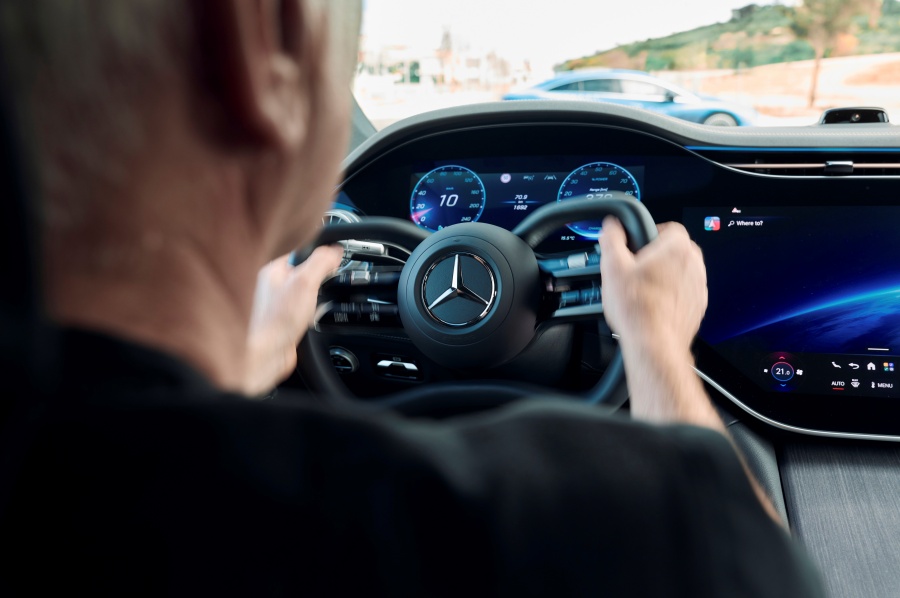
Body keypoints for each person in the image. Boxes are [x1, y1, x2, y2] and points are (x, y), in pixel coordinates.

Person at [0, 1, 822, 596]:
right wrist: (656, 346)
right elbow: (744, 556)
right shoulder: (612, 531)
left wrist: (236, 371)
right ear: (261, 44)